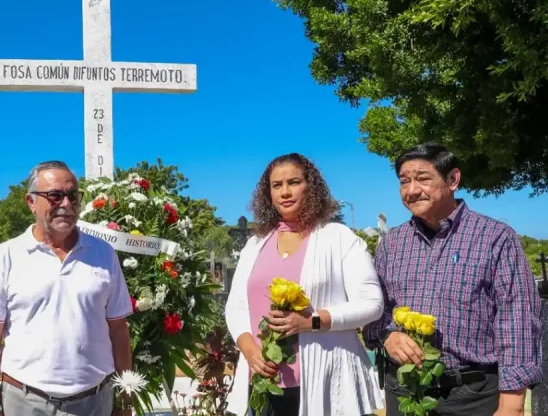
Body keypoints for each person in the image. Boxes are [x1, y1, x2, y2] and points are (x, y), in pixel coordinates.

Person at [362, 143, 542, 416]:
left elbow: (517, 317)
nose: (411, 190)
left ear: (453, 179)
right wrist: (386, 335)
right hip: (405, 390)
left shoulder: (495, 237)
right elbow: (374, 308)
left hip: (473, 394)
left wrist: (512, 403)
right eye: (404, 182)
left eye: (423, 179)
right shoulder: (391, 244)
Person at [225, 153, 385, 416]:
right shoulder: (254, 245)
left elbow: (372, 304)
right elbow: (236, 306)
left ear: (310, 186)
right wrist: (249, 348)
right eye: (277, 185)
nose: (285, 192)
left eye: (294, 182)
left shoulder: (339, 238)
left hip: (326, 380)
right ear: (268, 194)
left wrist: (311, 322)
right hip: (265, 382)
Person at [0, 160, 134, 416]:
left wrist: (126, 399)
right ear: (31, 202)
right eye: (55, 196)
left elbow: (119, 330)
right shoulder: (5, 256)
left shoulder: (104, 254)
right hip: (25, 402)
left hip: (94, 401)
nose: (66, 205)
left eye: (72, 196)